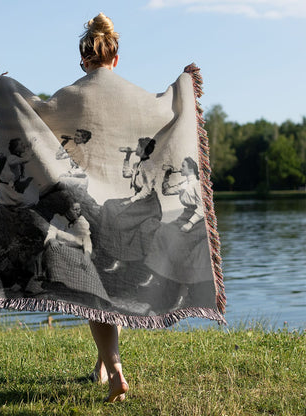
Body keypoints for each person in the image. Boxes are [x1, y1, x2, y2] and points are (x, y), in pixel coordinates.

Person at [78, 12, 129, 403]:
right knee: (109, 292)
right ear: (115, 58)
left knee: (95, 299)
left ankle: (115, 372)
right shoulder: (132, 95)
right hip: (125, 208)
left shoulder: (71, 95)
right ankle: (100, 365)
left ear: (84, 60)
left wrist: (4, 91)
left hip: (87, 209)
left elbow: (36, 123)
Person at [144, 156, 213, 309]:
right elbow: (167, 191)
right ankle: (156, 273)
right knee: (162, 231)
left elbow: (203, 208)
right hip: (185, 216)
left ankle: (182, 294)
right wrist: (167, 175)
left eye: (183, 166)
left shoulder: (197, 185)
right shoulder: (184, 184)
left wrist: (190, 223)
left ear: (190, 168)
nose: (181, 168)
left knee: (178, 243)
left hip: (198, 221)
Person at [99, 137, 162, 273]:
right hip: (139, 199)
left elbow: (147, 190)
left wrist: (131, 201)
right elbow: (126, 174)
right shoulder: (138, 164)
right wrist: (127, 157)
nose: (136, 149)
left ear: (143, 149)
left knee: (121, 219)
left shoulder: (150, 166)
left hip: (148, 204)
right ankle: (109, 249)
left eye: (138, 147)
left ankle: (121, 259)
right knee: (109, 204)